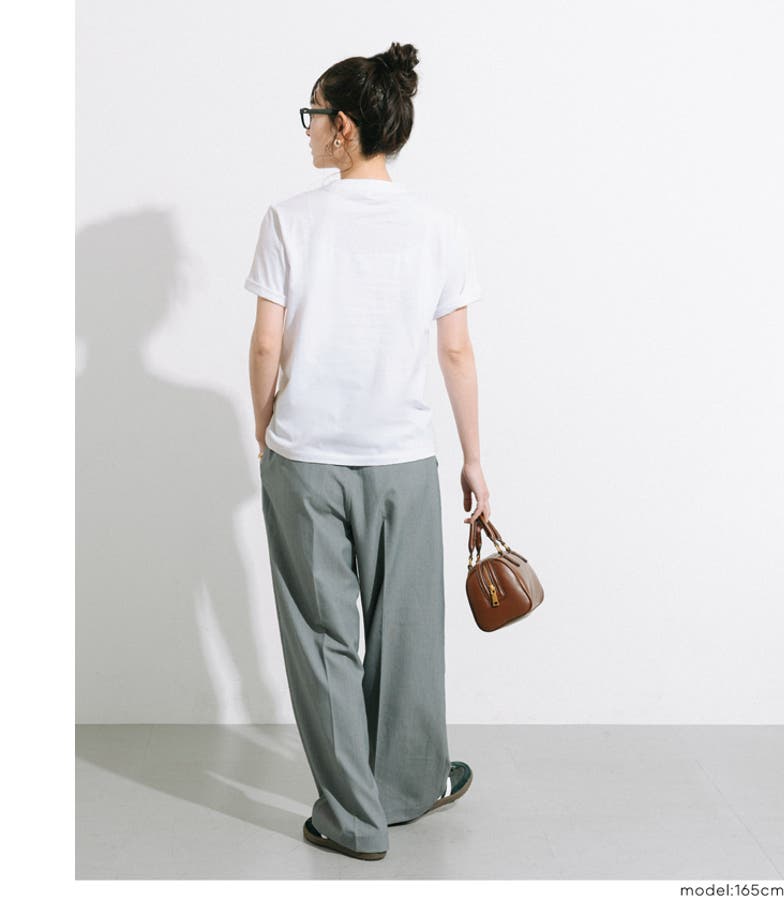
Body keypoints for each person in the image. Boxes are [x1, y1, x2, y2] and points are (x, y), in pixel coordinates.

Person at [244, 42, 488, 861]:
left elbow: (266, 344)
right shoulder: (439, 226)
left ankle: (352, 819)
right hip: (403, 460)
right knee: (407, 631)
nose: (309, 130)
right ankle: (409, 787)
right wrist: (474, 459)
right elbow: (456, 351)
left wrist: (263, 423)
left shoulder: (290, 219)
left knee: (323, 641)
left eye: (314, 115)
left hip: (306, 457)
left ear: (343, 126)